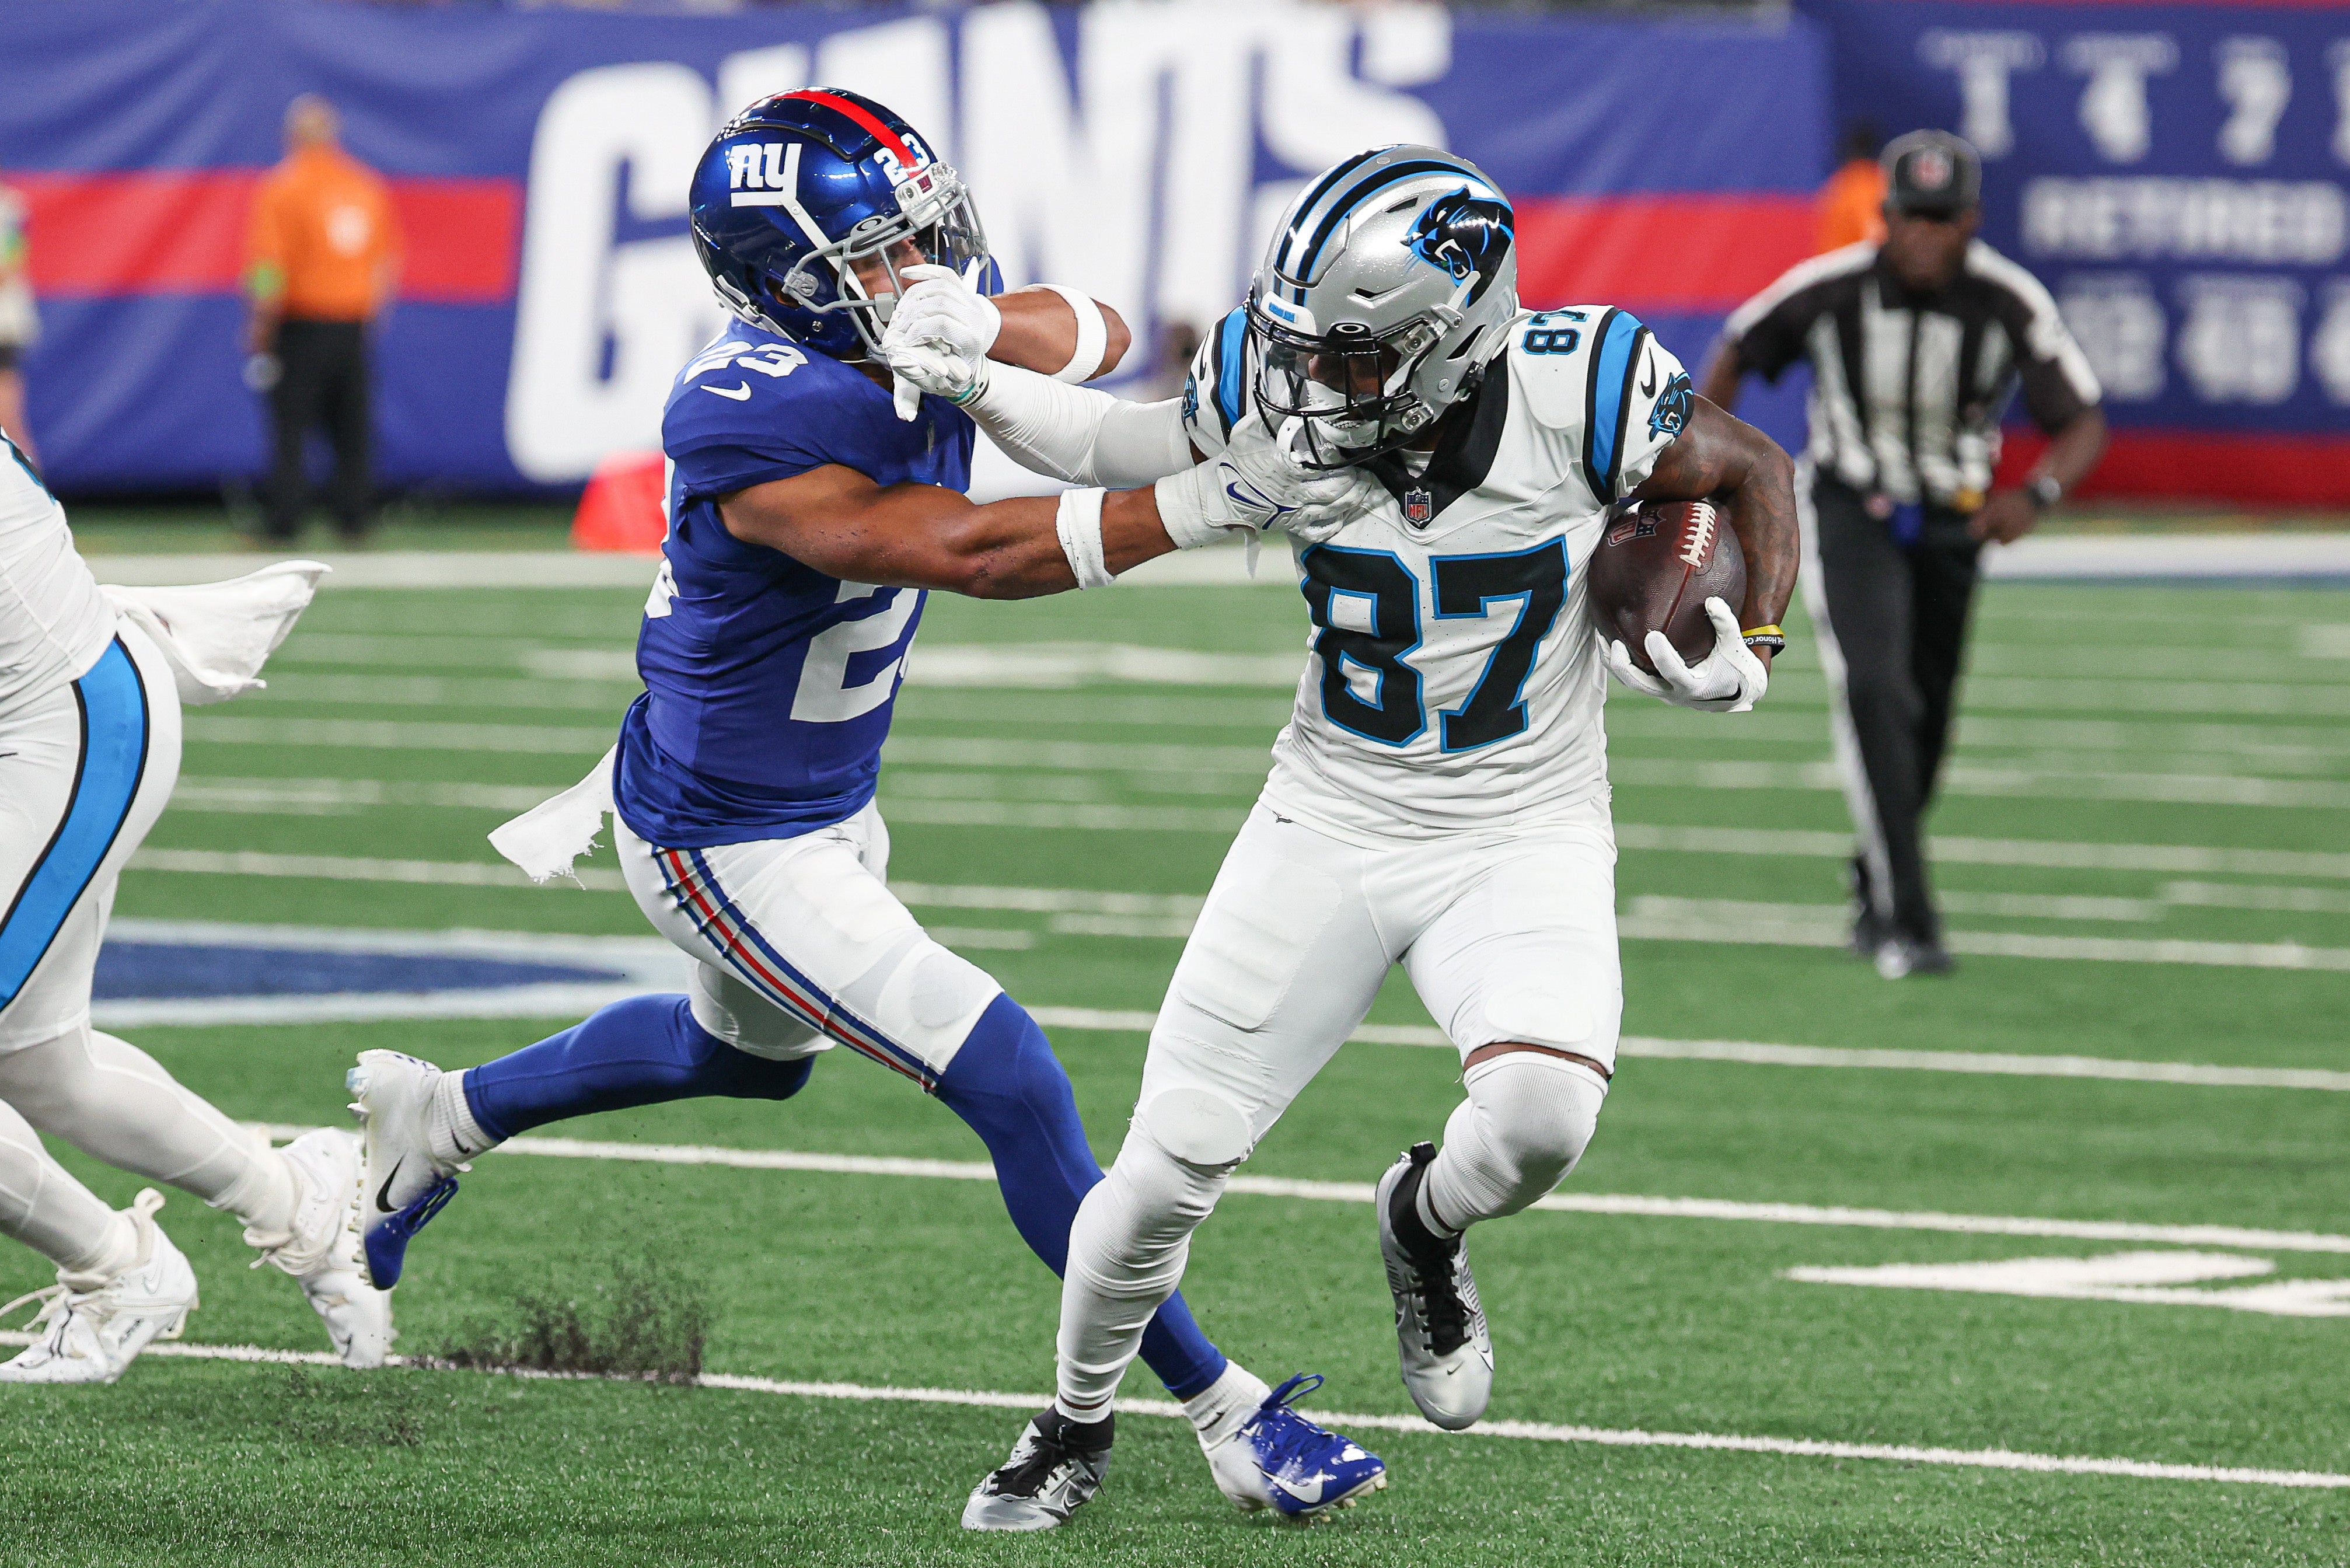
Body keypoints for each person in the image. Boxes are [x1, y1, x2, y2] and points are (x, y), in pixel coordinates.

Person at [347, 89, 1387, 1524]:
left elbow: (1092, 329)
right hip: (724, 835)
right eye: (878, 258)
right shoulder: (745, 411)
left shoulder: (899, 317)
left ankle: (443, 1115)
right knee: (1011, 1071)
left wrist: (979, 326)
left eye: (919, 239)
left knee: (749, 1059)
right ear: (783, 281)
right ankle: (1226, 1407)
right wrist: (1216, 502)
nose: (912, 274)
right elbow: (969, 551)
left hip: (822, 801)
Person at [886, 144, 1799, 1529]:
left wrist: (1753, 637)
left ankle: (1420, 1221)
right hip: (1329, 813)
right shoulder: (1283, 370)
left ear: (1458, 338)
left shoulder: (1581, 382)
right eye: (1310, 347)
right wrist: (975, 379)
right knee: (1160, 1168)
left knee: (1544, 1118)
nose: (1315, 384)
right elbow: (1110, 444)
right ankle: (1068, 1422)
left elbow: (1750, 466)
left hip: (1524, 821)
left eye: (1356, 358)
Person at [0, 432, 387, 1383]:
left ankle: (116, 1263)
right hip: (58, 713)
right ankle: (297, 1197)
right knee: (46, 1068)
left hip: (64, 727)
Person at [1696, 129, 2107, 977]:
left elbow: (2081, 415)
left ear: (1970, 221)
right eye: (1910, 218)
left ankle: (1871, 865)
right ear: (1882, 218)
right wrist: (1717, 478)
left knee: (1925, 712)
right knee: (1875, 689)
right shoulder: (1829, 288)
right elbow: (1736, 351)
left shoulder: (2007, 299)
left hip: (1954, 519)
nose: (1924, 236)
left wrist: (2034, 495)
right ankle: (1905, 914)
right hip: (1850, 509)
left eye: (1941, 219)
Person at [242, 95, 401, 544]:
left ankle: (286, 518)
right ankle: (354, 518)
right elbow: (385, 264)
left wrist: (260, 324)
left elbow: (269, 266)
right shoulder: (364, 185)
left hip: (302, 321)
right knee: (352, 426)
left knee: (291, 427)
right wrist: (372, 315)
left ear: (292, 136)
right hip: (353, 321)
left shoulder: (283, 186)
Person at [0, 176, 37, 466]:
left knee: (7, 422)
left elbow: (7, 267)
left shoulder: (9, 207)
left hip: (5, 329)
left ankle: (38, 507)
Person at [1814, 121, 1887, 255]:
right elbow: (1874, 235)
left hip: (1830, 264)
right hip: (1854, 267)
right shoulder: (1866, 184)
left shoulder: (1838, 182)